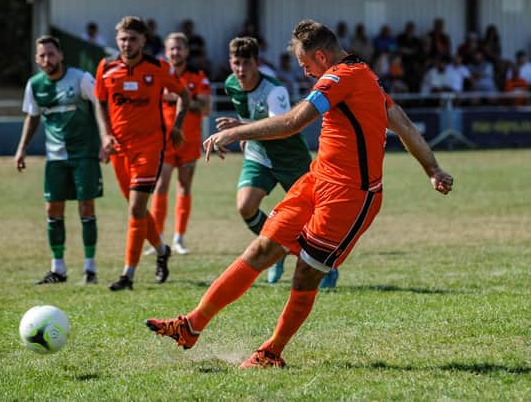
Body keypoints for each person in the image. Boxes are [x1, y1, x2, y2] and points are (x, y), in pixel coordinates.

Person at [146, 20, 453, 368]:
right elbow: (401, 121)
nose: (306, 73)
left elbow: (294, 122)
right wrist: (432, 169)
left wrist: (235, 134)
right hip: (316, 180)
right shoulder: (363, 76)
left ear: (321, 56)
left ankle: (271, 352)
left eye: (306, 65)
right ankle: (191, 325)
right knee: (261, 249)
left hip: (349, 197)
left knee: (306, 273)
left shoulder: (339, 78)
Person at [94, 16, 191, 291]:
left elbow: (185, 95)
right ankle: (162, 250)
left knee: (136, 208)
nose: (127, 43)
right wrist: (105, 135)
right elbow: (101, 102)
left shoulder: (159, 68)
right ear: (117, 40)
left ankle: (128, 274)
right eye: (123, 38)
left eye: (132, 39)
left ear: (143, 41)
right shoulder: (107, 67)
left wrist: (177, 126)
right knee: (136, 209)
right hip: (119, 149)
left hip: (150, 147)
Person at [214, 36, 313, 284]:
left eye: (246, 63)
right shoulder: (231, 84)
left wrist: (239, 129)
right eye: (236, 63)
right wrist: (240, 135)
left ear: (256, 64)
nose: (240, 69)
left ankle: (326, 265)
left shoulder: (274, 90)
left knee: (312, 218)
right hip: (259, 156)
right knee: (245, 206)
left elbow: (280, 128)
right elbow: (246, 116)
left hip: (290, 158)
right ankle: (276, 251)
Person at [15, 35, 102, 285]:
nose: (47, 59)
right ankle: (58, 269)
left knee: (86, 208)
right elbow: (32, 118)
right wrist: (22, 149)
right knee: (53, 210)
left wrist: (105, 139)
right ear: (36, 58)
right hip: (55, 158)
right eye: (42, 55)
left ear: (61, 55)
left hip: (84, 154)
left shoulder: (81, 79)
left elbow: (100, 105)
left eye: (51, 54)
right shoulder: (34, 85)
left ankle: (90, 268)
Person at [148, 32, 211, 255]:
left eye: (179, 48)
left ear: (186, 51)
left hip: (189, 141)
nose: (175, 52)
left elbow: (205, 108)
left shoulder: (198, 77)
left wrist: (180, 98)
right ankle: (158, 238)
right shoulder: (158, 74)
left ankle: (179, 239)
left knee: (184, 187)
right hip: (163, 142)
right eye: (171, 49)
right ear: (166, 52)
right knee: (160, 186)